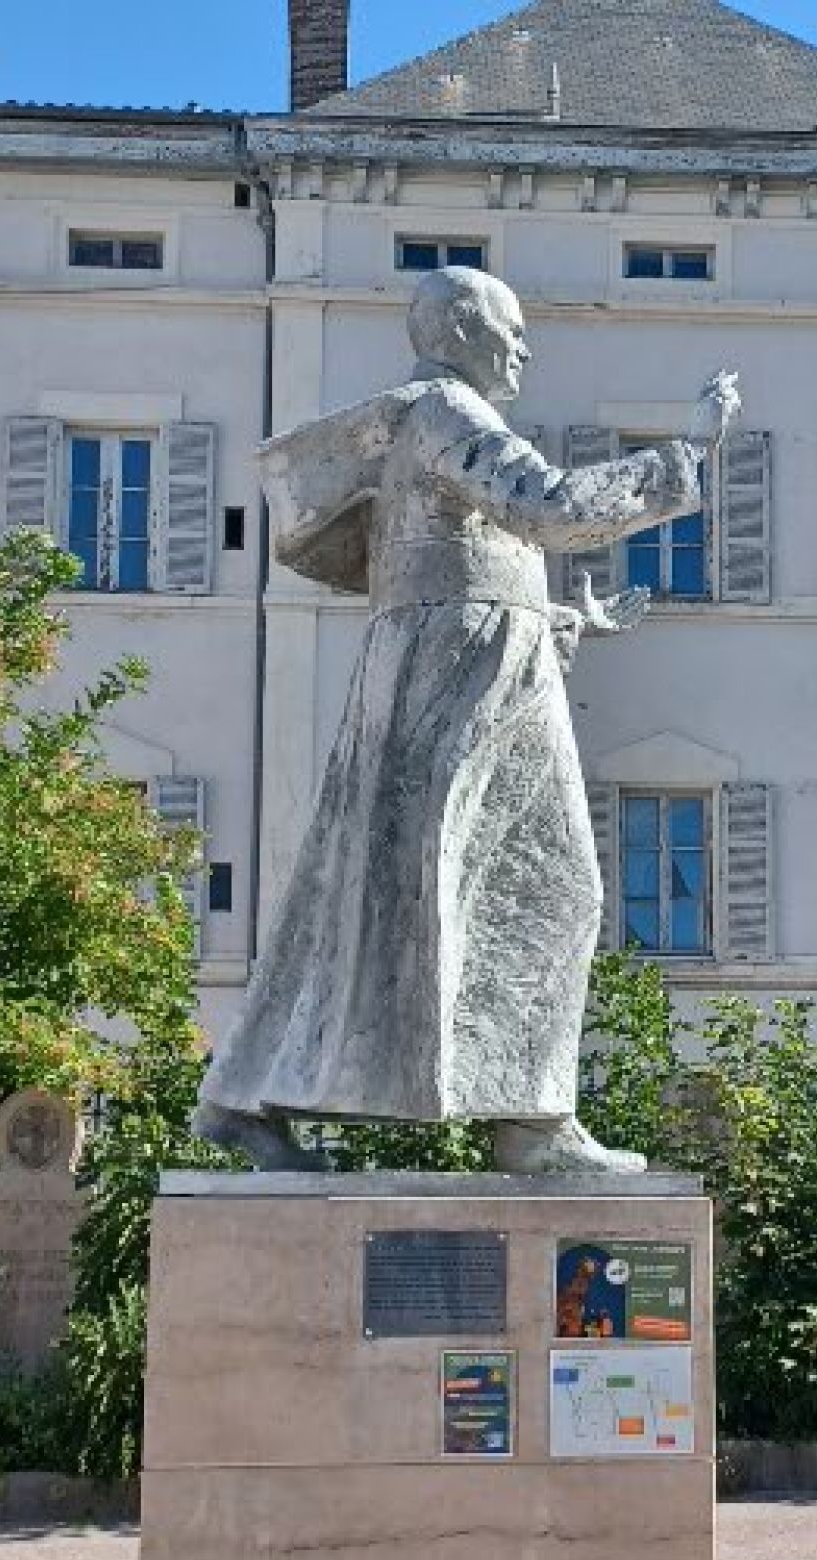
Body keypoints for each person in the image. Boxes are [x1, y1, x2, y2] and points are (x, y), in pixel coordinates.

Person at [193, 267, 740, 1173]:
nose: (524, 347)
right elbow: (550, 508)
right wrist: (685, 454)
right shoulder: (444, 412)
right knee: (540, 882)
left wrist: (562, 622)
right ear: (456, 327)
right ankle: (524, 1125)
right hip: (462, 666)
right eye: (510, 328)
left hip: (479, 658)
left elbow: (471, 559)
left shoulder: (439, 420)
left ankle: (258, 1098)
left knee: (381, 883)